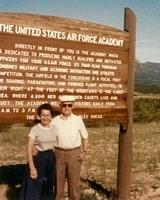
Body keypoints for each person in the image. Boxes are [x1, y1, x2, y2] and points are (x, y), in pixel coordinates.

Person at [53, 95, 89, 200]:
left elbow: (86, 138)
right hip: (58, 154)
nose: (67, 107)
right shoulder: (55, 121)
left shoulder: (78, 120)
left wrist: (84, 152)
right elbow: (48, 137)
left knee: (74, 183)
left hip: (74, 153)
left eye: (69, 105)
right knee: (58, 183)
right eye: (64, 105)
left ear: (73, 106)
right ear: (60, 106)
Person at [19, 103, 56, 200]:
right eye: (43, 115)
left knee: (48, 186)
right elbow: (29, 148)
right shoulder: (35, 129)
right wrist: (32, 168)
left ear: (51, 116)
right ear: (39, 116)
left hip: (51, 160)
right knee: (35, 187)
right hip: (38, 159)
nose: (45, 117)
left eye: (48, 115)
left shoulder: (55, 128)